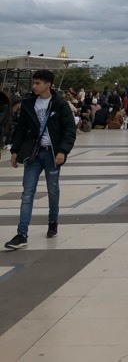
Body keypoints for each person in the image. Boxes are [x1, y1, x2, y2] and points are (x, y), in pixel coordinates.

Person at [5, 70, 76, 250]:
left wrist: (63, 151)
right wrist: (15, 150)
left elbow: (69, 129)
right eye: (34, 83)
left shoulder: (59, 103)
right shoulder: (29, 104)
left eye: (38, 83)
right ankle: (22, 233)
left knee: (53, 190)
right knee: (27, 193)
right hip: (34, 154)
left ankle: (53, 221)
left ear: (48, 84)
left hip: (52, 154)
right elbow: (21, 129)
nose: (34, 86)